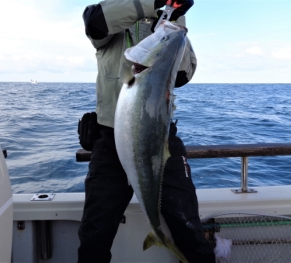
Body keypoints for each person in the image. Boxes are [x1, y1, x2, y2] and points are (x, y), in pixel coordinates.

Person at [78, 1, 215, 262]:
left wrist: (172, 25)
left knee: (188, 225)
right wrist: (154, 4)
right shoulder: (109, 11)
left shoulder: (173, 21)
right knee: (95, 233)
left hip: (160, 135)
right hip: (111, 138)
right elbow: (95, 23)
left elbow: (184, 74)